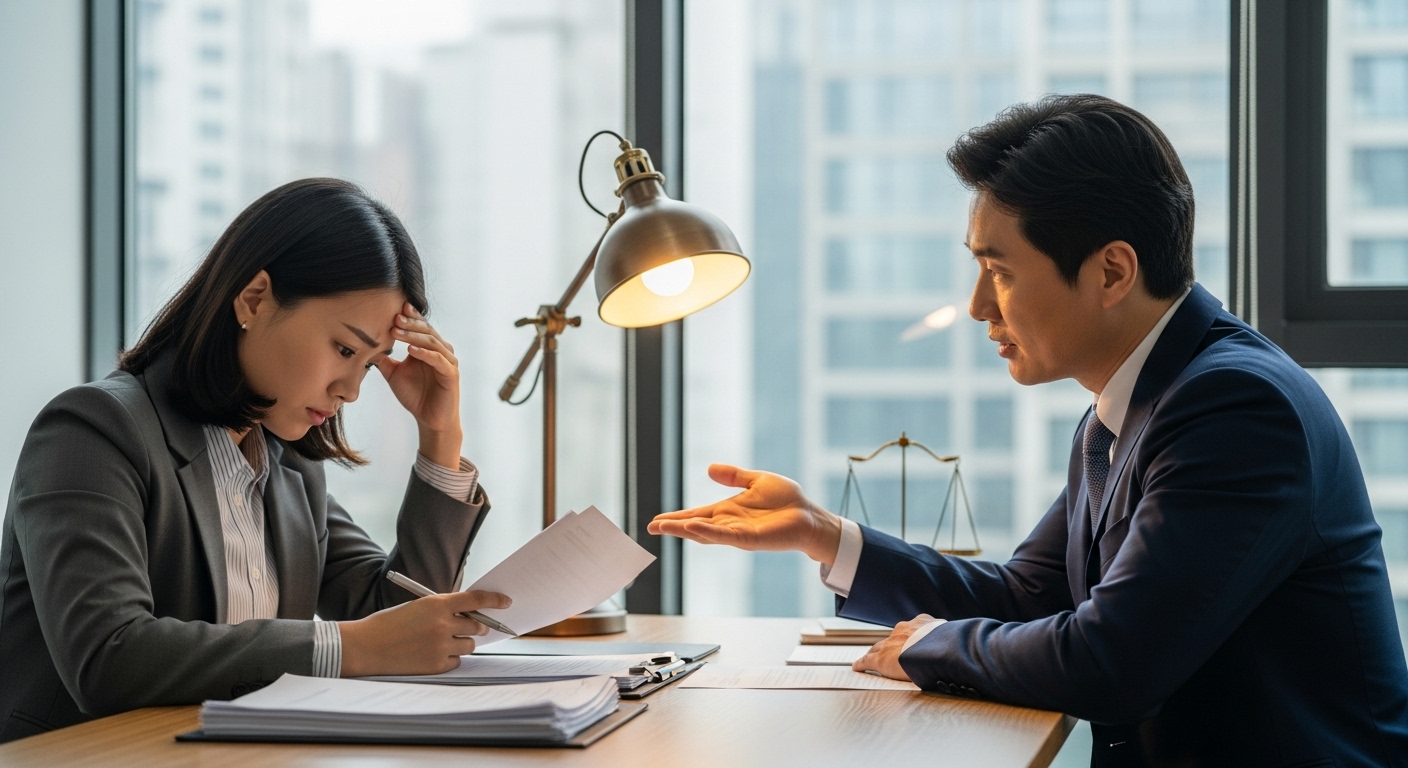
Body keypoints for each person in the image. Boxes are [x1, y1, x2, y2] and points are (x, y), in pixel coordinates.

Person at [650, 95, 1408, 767]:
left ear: (1112, 272)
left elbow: (1112, 661)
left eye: (1000, 271)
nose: (980, 306)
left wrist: (928, 646)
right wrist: (824, 534)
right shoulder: (1133, 404)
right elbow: (1029, 595)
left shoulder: (1236, 409)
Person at [0, 178, 509, 741]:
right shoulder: (93, 430)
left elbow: (395, 612)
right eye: (344, 348)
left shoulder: (289, 467)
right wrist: (354, 646)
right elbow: (108, 655)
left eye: (368, 364)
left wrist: (440, 436)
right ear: (255, 297)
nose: (351, 390)